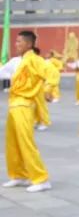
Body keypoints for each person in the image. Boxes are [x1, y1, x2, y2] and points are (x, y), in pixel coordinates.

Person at [1, 31, 52, 192]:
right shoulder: (16, 61)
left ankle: (41, 178)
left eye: (19, 42)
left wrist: (49, 88)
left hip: (25, 104)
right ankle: (19, 175)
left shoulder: (36, 61)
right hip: (13, 104)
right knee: (13, 143)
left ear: (29, 44)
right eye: (16, 42)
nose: (16, 44)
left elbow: (51, 73)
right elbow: (2, 73)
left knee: (26, 142)